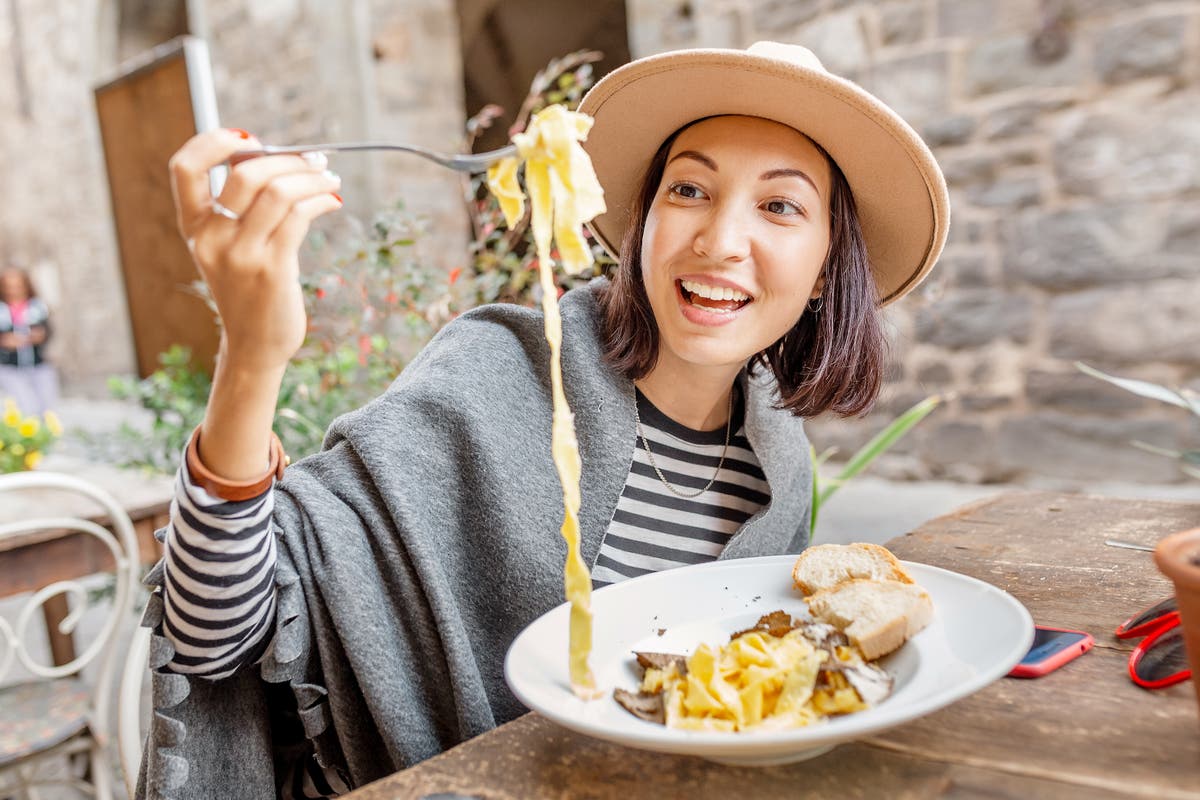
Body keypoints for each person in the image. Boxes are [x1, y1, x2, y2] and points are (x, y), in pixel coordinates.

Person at [139, 41, 948, 799]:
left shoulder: (778, 465)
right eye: (689, 189)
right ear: (637, 228)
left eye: (779, 206)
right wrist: (253, 352)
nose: (721, 239)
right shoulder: (493, 374)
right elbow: (214, 634)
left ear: (822, 273)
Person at [0, 266, 59, 416]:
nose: (13, 290)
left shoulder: (37, 306)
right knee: (27, 407)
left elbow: (49, 331)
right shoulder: (1, 309)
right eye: (9, 286)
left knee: (48, 409)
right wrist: (4, 342)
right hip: (11, 367)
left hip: (38, 364)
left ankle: (47, 437)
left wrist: (40, 336)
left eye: (18, 286)